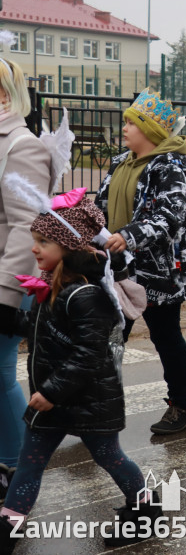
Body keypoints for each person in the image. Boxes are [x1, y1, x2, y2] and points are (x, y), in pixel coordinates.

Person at [0, 188, 160, 552]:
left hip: (87, 400)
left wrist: (51, 391)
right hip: (53, 401)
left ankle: (145, 510)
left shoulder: (86, 295)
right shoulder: (55, 289)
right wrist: (11, 319)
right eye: (34, 240)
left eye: (42, 241)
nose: (34, 248)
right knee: (28, 465)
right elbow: (45, 329)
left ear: (68, 247)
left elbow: (88, 354)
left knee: (110, 457)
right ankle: (7, 530)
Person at [95, 90, 186, 435]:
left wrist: (129, 235)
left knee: (166, 336)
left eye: (130, 123)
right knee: (108, 336)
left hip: (159, 271)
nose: (124, 128)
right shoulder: (120, 162)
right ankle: (99, 405)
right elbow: (99, 206)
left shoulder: (170, 166)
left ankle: (181, 405)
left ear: (150, 130)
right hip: (117, 267)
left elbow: (169, 215)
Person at [0, 58, 50, 501]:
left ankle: (19, 469)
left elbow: (25, 225)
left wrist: (6, 295)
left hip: (3, 283)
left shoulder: (21, 146)